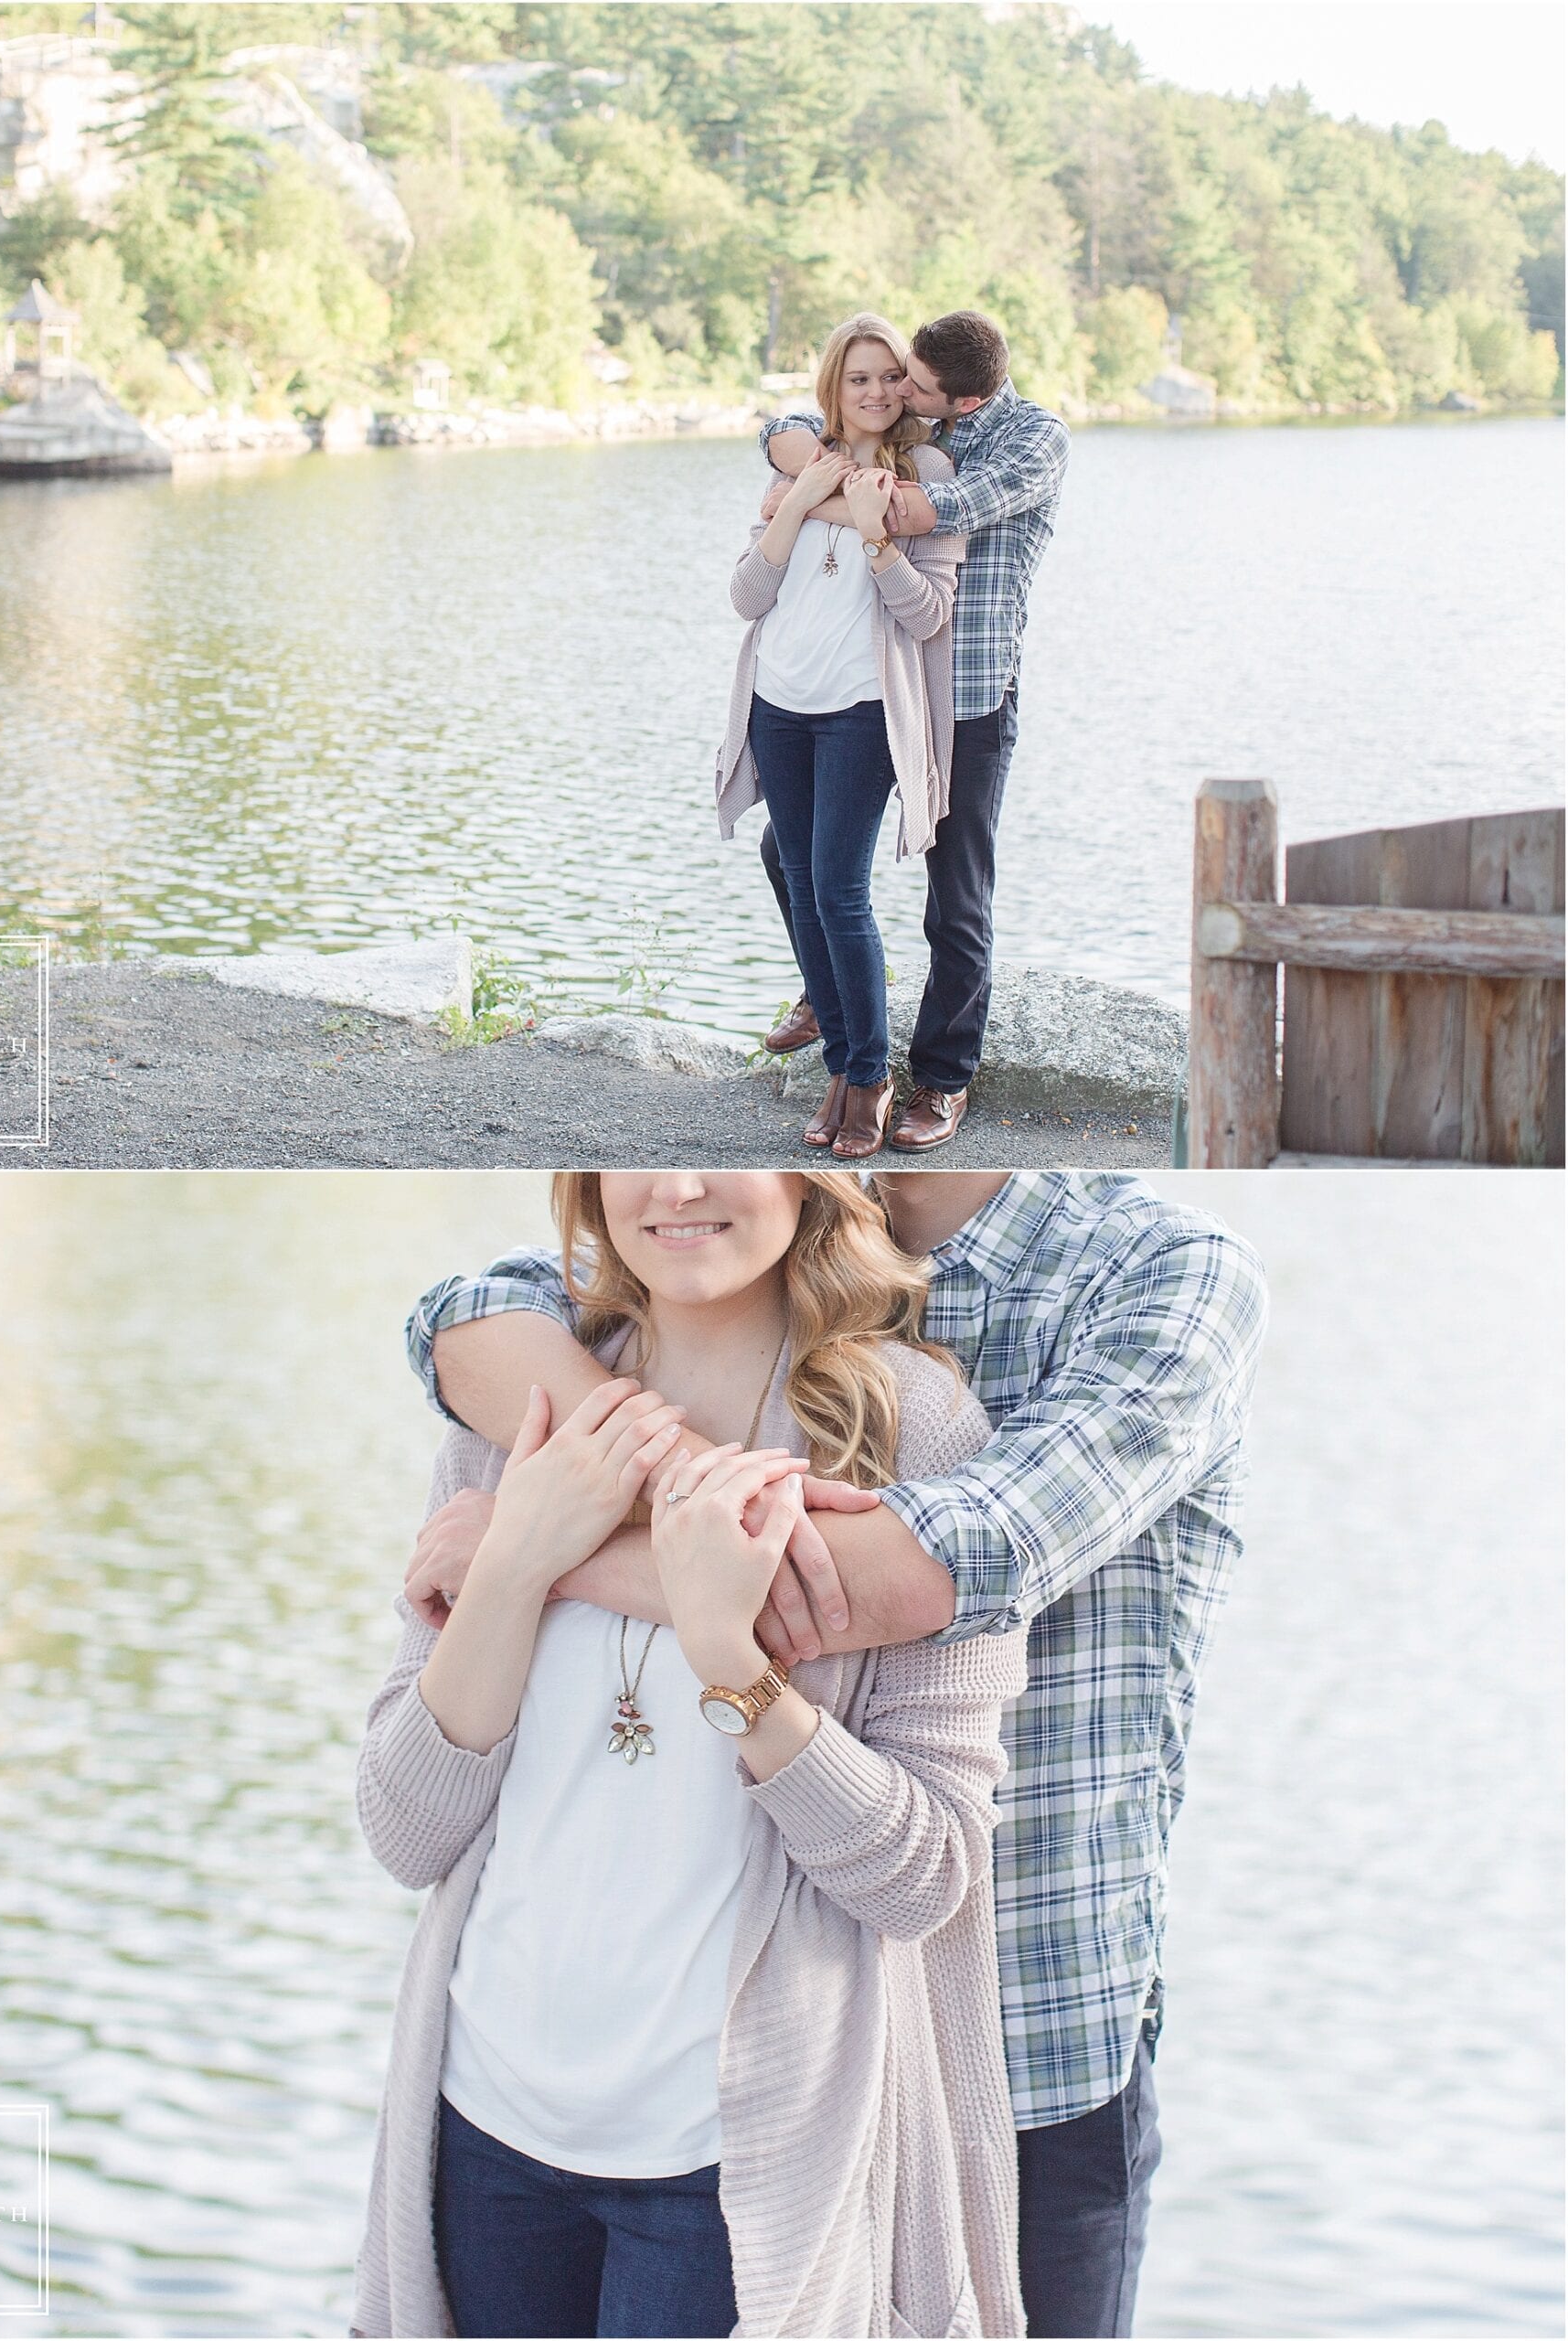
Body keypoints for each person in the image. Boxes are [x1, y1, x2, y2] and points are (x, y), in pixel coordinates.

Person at [403, 1170, 1270, 2341]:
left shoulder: (1141, 1275)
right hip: (653, 2084)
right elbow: (463, 1314)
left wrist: (538, 1546)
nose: (681, 1177)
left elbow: (933, 1574)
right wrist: (550, 1503)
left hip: (1022, 2035)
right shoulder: (651, 1274)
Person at [353, 1170, 1030, 2341]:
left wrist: (728, 1651)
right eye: (638, 1152)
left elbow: (923, 1876)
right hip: (482, 2126)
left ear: (807, 1175)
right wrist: (516, 1562)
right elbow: (405, 1831)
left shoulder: (912, 1431)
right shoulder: (521, 1401)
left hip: (730, 2169)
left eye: (722, 1149)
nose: (676, 1186)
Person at [757, 314, 1072, 1152]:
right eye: (895, 382)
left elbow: (917, 511)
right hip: (881, 687)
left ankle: (938, 1078)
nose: (898, 396)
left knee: (955, 891)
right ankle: (830, 998)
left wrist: (803, 500)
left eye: (914, 388)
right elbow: (785, 429)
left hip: (964, 695)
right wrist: (807, 470)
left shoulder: (1029, 441)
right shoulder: (926, 415)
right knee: (788, 856)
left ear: (963, 397)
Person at [717, 313, 965, 1160]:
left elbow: (928, 615)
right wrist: (806, 510)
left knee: (836, 889)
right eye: (855, 379)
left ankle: (866, 1076)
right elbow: (748, 598)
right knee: (794, 867)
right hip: (778, 705)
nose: (873, 393)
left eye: (885, 377)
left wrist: (873, 536)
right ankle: (842, 1064)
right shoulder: (805, 461)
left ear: (905, 385)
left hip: (863, 710)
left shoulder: (928, 472)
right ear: (834, 386)